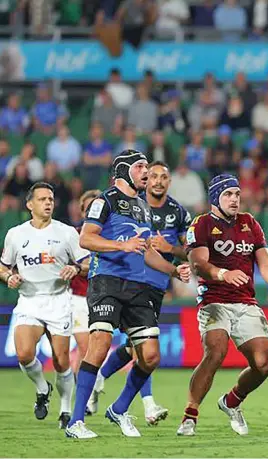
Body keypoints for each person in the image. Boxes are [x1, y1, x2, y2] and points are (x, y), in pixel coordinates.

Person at [65, 150, 190, 439]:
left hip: (138, 286)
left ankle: (119, 409)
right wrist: (121, 246)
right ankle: (76, 421)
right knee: (100, 344)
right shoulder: (104, 200)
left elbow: (146, 251)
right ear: (124, 171)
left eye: (148, 166)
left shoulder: (144, 207)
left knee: (150, 356)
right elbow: (87, 238)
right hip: (106, 282)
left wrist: (173, 271)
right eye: (141, 167)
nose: (147, 171)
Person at [176, 173, 268, 437]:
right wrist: (222, 274)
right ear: (215, 197)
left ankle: (231, 401)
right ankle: (189, 415)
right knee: (216, 350)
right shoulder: (201, 224)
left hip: (245, 301)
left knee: (264, 362)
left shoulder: (249, 223)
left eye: (237, 194)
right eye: (228, 194)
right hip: (214, 300)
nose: (234, 199)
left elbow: (265, 261)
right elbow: (198, 264)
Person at [0, 182, 90, 429]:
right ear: (30, 205)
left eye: (50, 198)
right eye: (42, 199)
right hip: (29, 301)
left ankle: (65, 409)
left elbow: (88, 263)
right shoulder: (16, 235)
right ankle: (42, 387)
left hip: (59, 301)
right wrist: (9, 277)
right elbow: (3, 265)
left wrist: (76, 268)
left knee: (62, 362)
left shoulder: (67, 233)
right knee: (24, 354)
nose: (48, 202)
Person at [70, 189, 102, 416]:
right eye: (88, 208)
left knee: (92, 351)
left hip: (104, 298)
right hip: (79, 300)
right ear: (82, 212)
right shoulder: (72, 236)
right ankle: (90, 395)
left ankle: (90, 388)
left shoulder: (109, 235)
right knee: (86, 347)